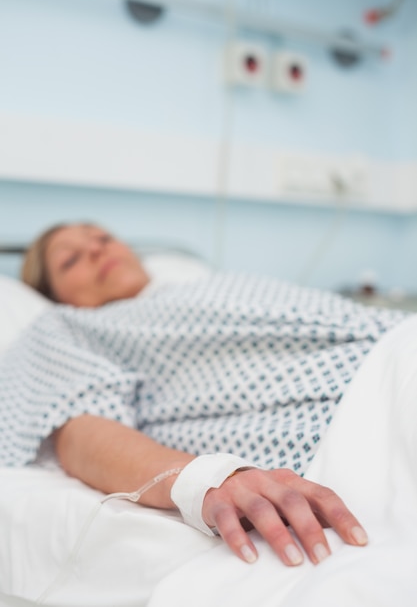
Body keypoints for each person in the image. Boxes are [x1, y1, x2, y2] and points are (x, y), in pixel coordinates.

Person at [0, 223, 405, 568]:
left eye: (103, 238)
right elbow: (78, 430)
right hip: (359, 404)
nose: (94, 248)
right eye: (69, 259)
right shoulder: (62, 328)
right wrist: (203, 480)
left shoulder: (200, 285)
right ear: (51, 293)